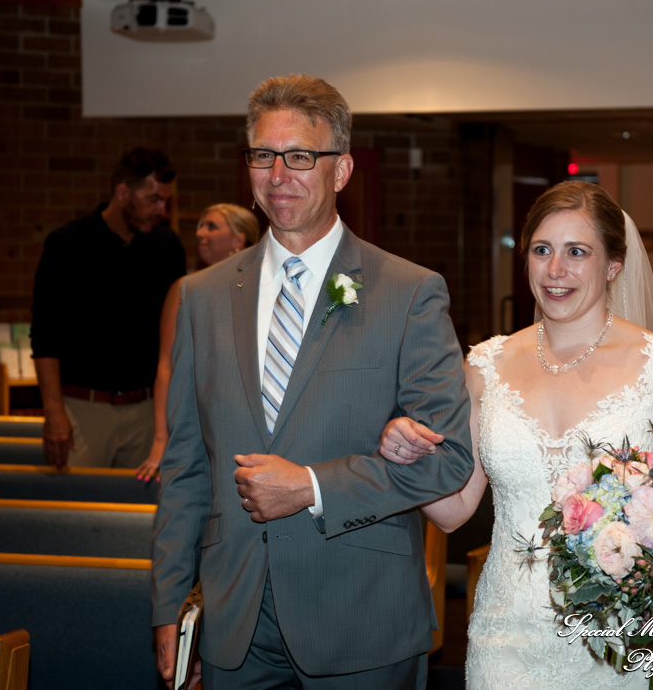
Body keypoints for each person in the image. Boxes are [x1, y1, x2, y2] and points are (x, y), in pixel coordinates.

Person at [150, 74, 474, 689]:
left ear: (342, 170)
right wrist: (170, 604)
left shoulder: (408, 293)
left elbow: (448, 462)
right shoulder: (202, 297)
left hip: (361, 615)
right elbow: (187, 464)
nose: (279, 175)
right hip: (235, 616)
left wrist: (311, 486)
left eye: (301, 156)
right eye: (263, 156)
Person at [380, 181, 653, 689]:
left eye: (576, 252)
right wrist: (404, 453)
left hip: (623, 641)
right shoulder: (485, 366)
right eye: (542, 251)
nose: (555, 270)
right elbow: (453, 511)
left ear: (613, 266)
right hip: (506, 638)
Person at [30, 147, 186, 469]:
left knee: (143, 517)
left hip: (146, 410)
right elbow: (45, 335)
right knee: (74, 515)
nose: (162, 209)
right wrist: (54, 413)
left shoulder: (167, 248)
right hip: (83, 409)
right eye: (154, 199)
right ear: (123, 192)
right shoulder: (67, 243)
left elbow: (176, 338)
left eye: (165, 201)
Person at [136, 203, 262, 482]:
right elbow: (165, 368)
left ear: (238, 239)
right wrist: (161, 438)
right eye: (200, 227)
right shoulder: (184, 289)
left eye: (212, 226)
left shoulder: (265, 291)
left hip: (248, 425)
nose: (200, 234)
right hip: (195, 422)